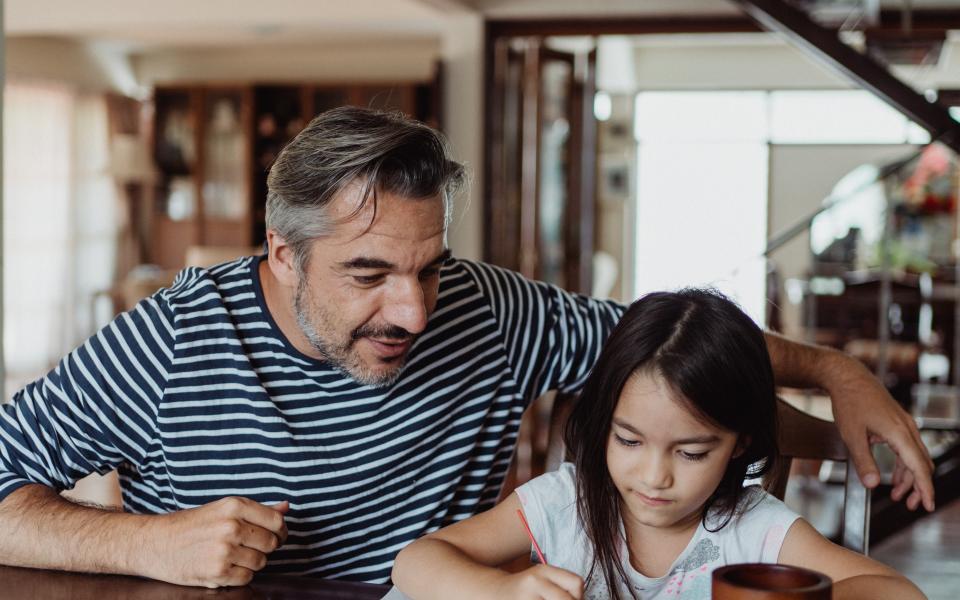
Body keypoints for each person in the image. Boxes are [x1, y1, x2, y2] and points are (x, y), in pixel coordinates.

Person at [0, 107, 934, 588]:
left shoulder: (485, 310)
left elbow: (678, 365)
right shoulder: (171, 339)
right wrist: (146, 546)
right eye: (368, 275)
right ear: (280, 255)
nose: (413, 310)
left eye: (431, 268)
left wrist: (837, 376)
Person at [391, 289, 926, 600]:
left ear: (739, 444)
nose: (653, 476)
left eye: (691, 453)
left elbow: (898, 593)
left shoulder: (753, 529)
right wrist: (502, 594)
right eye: (628, 440)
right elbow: (416, 560)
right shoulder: (565, 504)